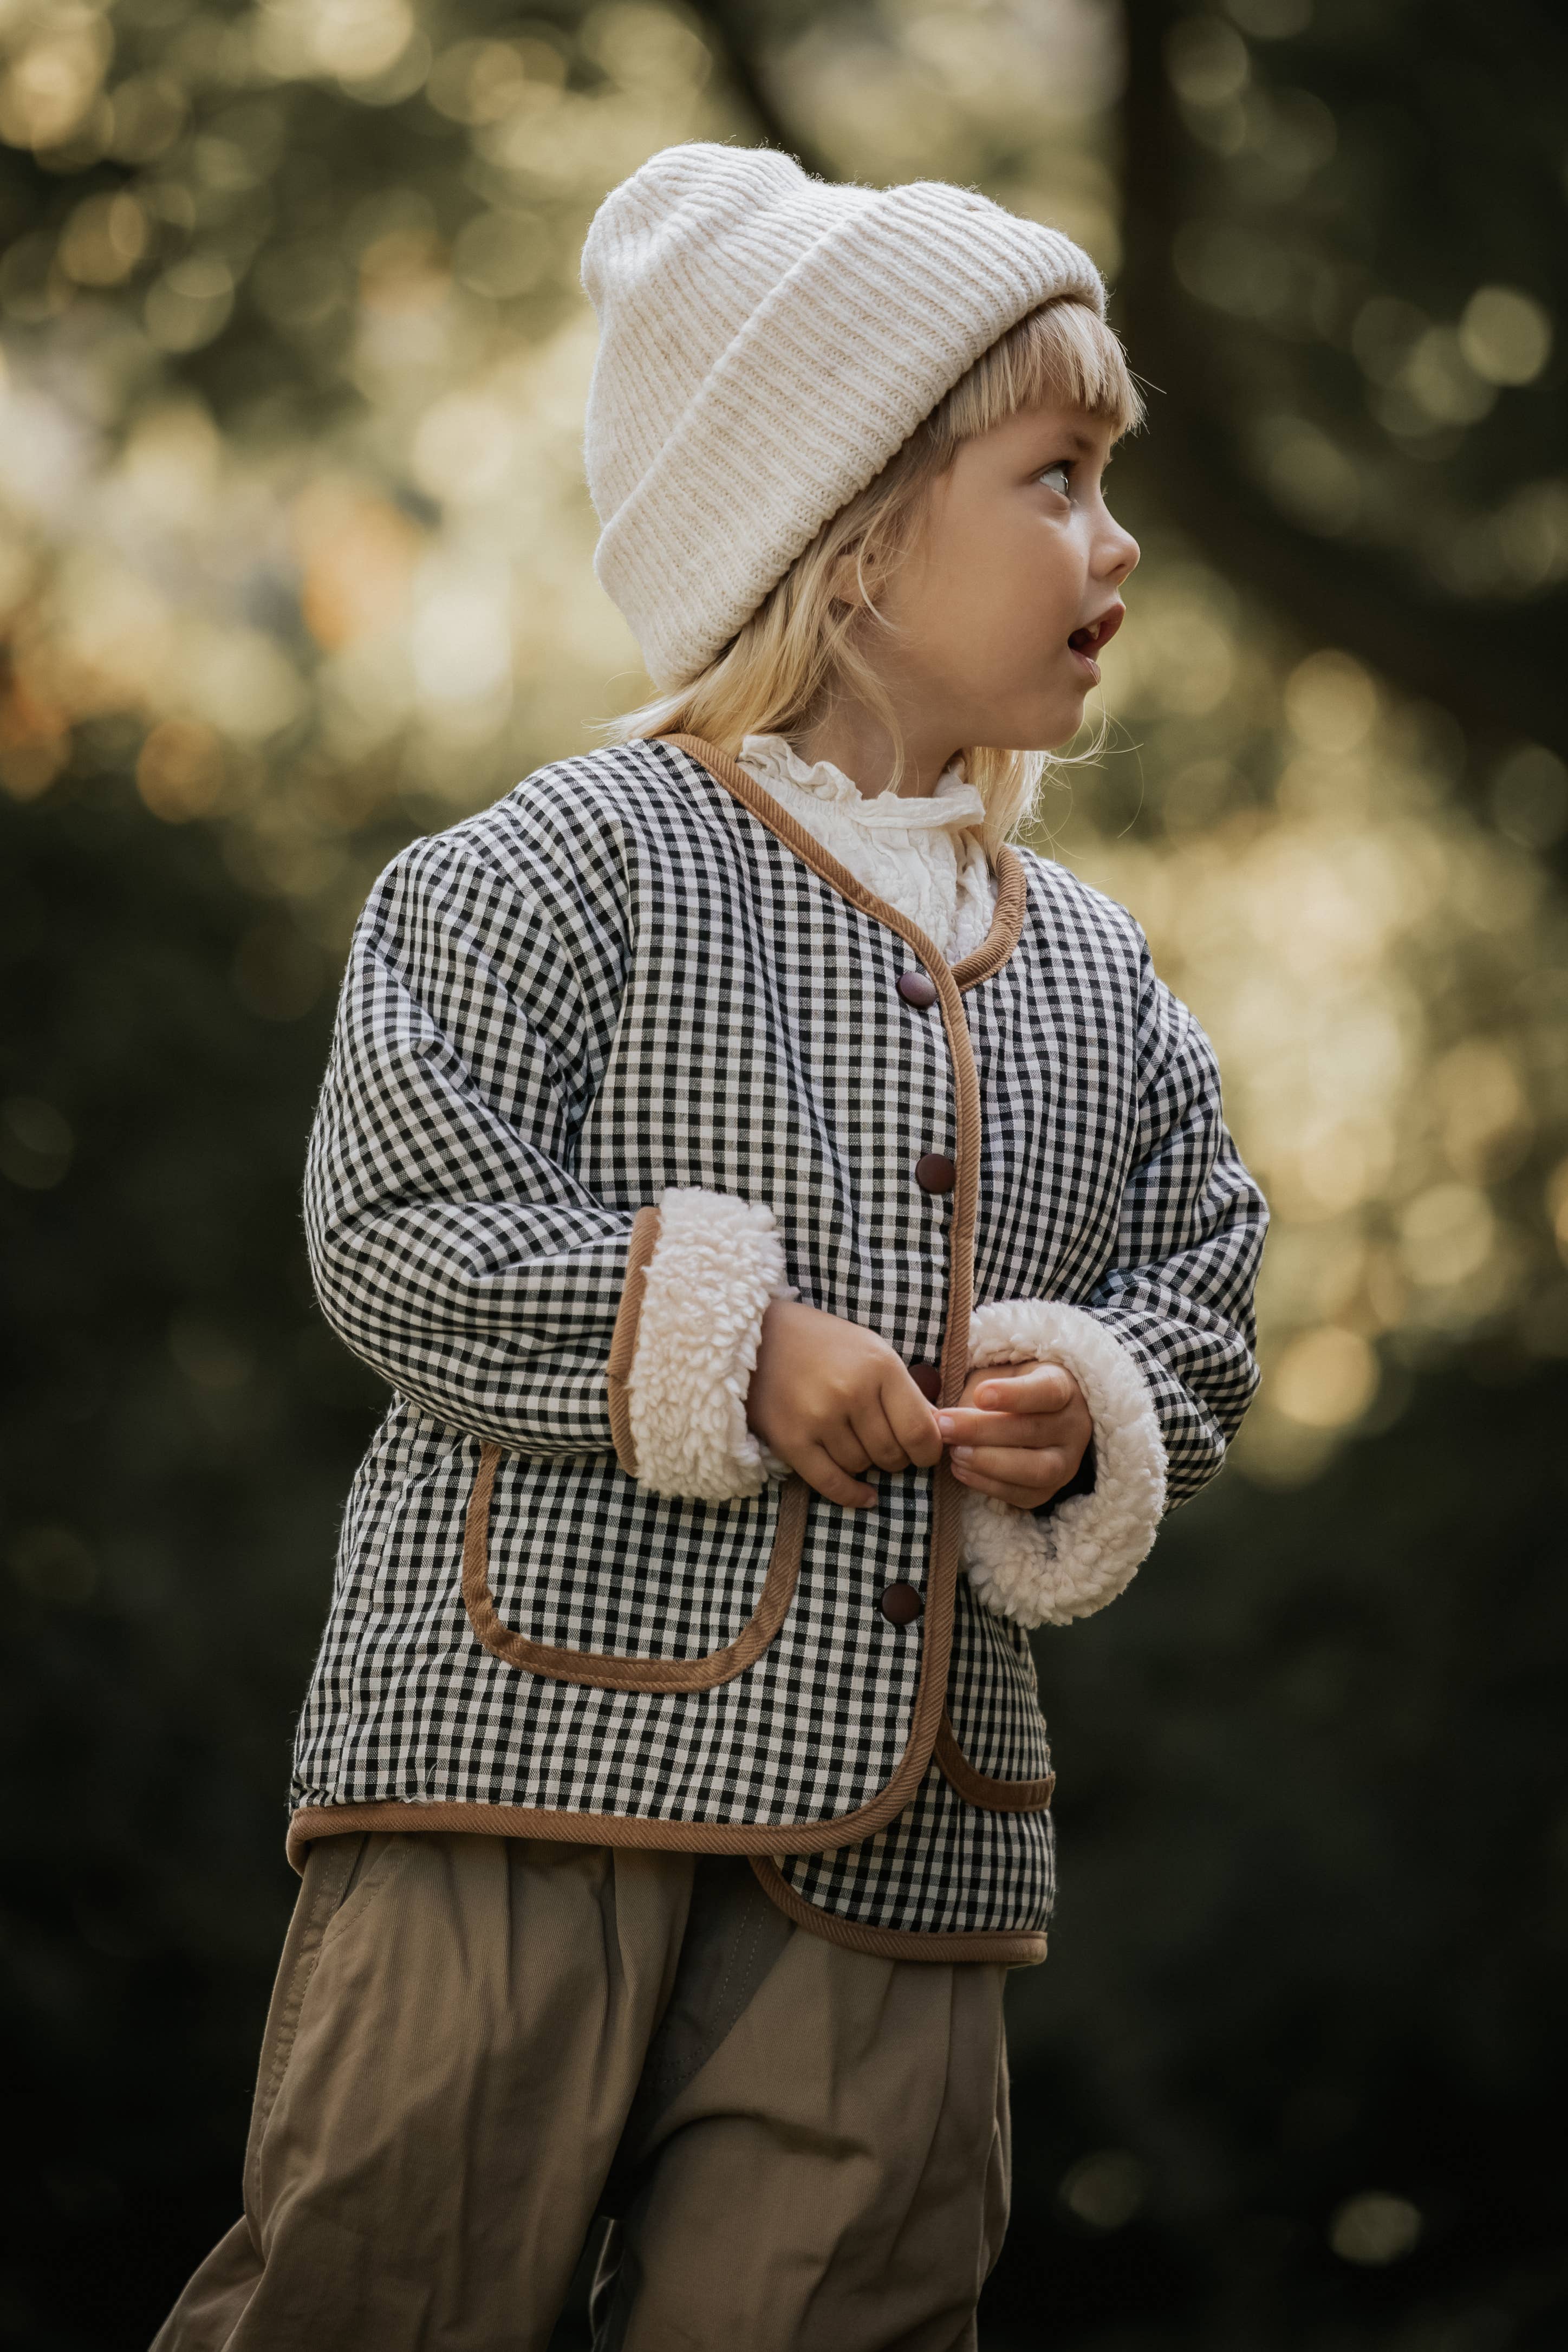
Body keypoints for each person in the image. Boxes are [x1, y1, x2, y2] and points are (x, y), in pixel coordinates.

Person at [154, 141, 1267, 2351]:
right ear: (847, 541)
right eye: (1052, 478)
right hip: (521, 1765)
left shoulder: (1101, 972)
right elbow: (399, 1216)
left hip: (908, 1854)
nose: (1112, 539)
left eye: (1105, 484)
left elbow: (1202, 1265)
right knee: (389, 2287)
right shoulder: (551, 868)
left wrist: (1100, 1397)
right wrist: (724, 1338)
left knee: (840, 2312)